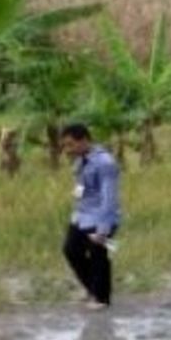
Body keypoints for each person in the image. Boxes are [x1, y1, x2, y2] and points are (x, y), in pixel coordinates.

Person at [62, 123, 121, 310]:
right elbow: (82, 185)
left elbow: (109, 197)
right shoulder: (81, 160)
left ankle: (101, 298)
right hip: (82, 215)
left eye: (71, 144)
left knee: (99, 256)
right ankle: (93, 289)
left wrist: (103, 229)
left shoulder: (105, 163)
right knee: (71, 250)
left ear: (84, 140)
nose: (68, 150)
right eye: (65, 145)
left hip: (100, 216)